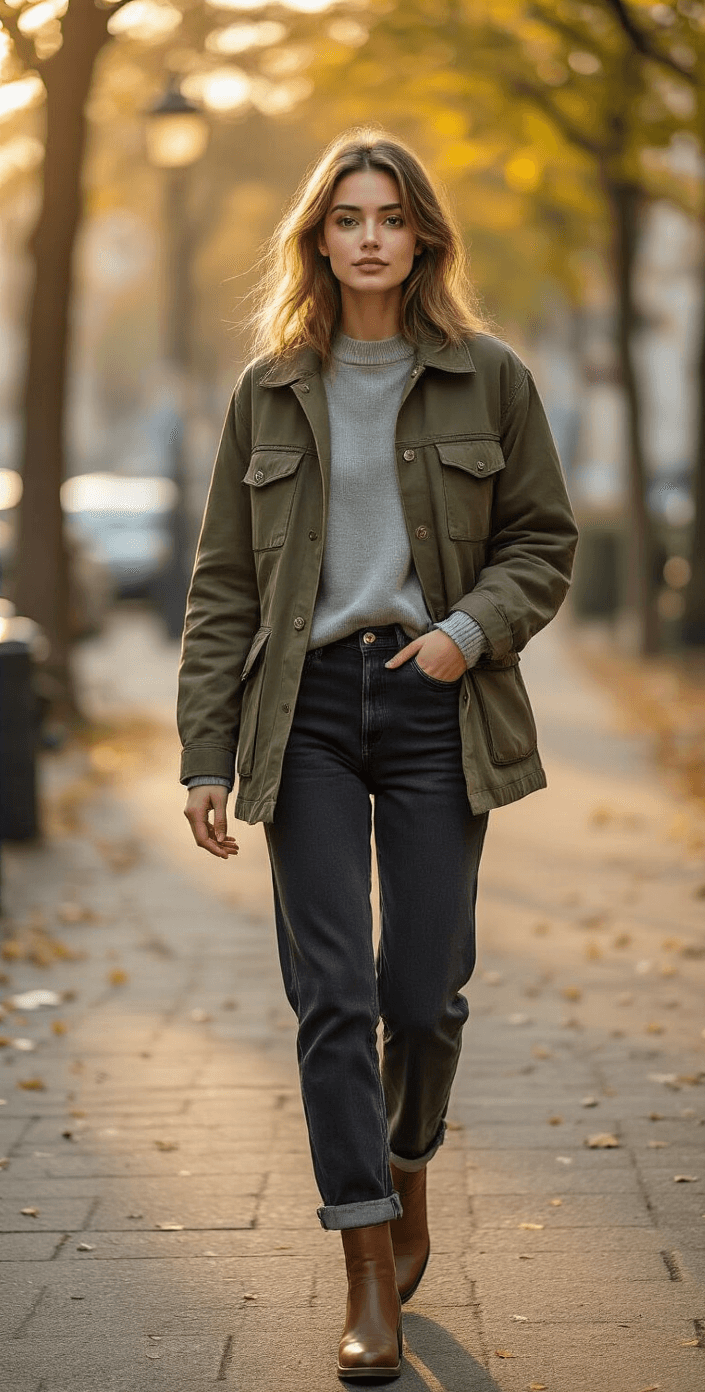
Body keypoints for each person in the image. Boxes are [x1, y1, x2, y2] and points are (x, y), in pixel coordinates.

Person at [177, 128, 577, 1381]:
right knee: (334, 999)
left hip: (431, 703)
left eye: (389, 217)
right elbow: (224, 588)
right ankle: (365, 1263)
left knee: (423, 993)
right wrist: (203, 752)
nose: (366, 236)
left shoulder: (487, 376)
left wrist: (466, 634)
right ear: (319, 237)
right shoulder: (268, 390)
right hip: (297, 712)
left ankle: (409, 1164)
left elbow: (543, 542)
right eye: (345, 216)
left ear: (421, 238)